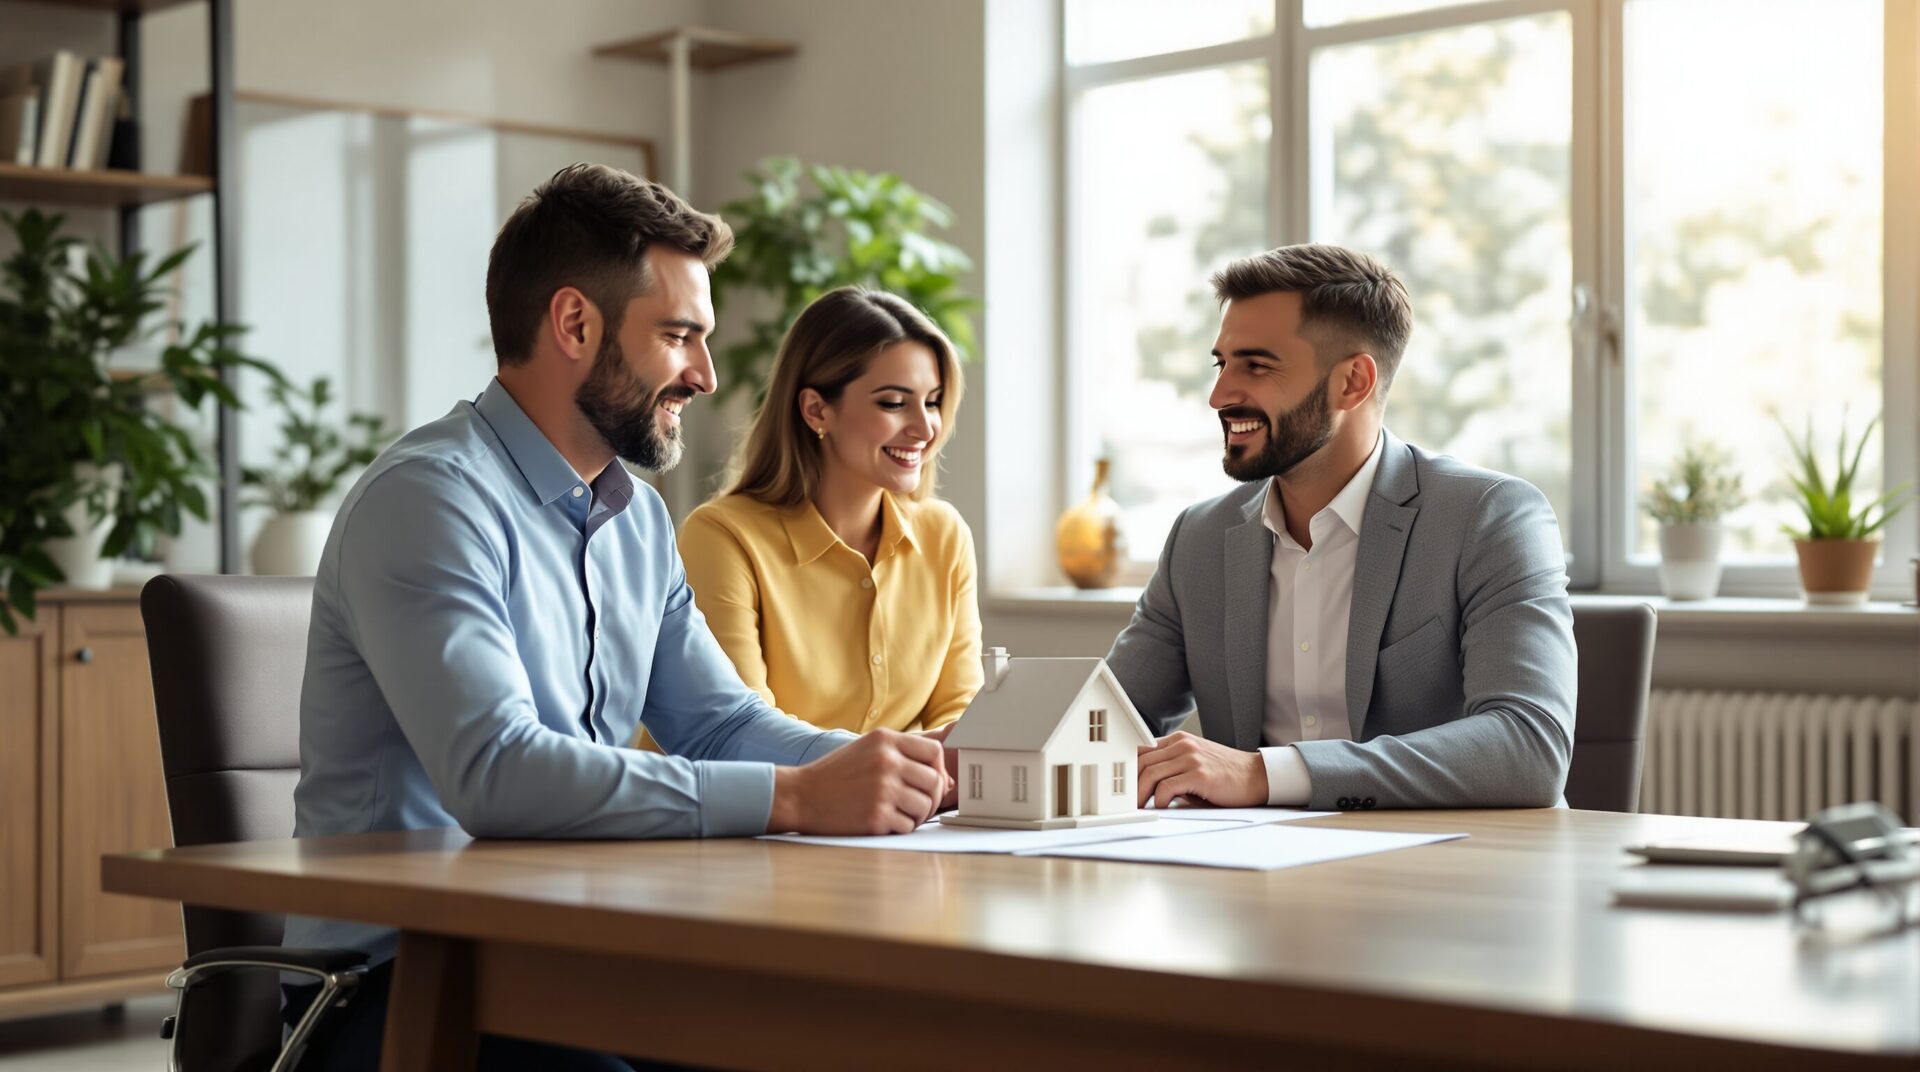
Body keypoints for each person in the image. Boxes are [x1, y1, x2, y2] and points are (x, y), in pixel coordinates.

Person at [283, 164, 950, 1070]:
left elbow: (716, 722)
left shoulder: (634, 517)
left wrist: (881, 768)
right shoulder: (431, 501)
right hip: (394, 987)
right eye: (679, 336)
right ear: (573, 324)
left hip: (566, 951)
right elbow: (496, 771)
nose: (707, 376)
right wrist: (795, 796)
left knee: (822, 1040)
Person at [1108, 243, 1576, 812]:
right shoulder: (1199, 539)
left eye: (1256, 365)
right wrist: (983, 753)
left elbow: (1528, 748)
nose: (1220, 394)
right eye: (1221, 363)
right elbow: (1106, 719)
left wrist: (1264, 773)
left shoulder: (1489, 518)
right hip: (1247, 883)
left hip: (1445, 876)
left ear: (1352, 382)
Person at [662, 286, 980, 743]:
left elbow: (962, 715)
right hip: (740, 811)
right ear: (816, 410)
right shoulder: (723, 537)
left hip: (902, 811)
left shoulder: (944, 535)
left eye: (932, 400)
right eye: (893, 402)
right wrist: (892, 769)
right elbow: (742, 734)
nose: (926, 426)